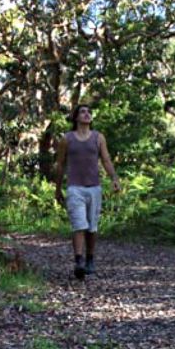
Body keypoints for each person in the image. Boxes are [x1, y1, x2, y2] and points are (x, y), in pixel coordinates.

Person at [54, 104, 121, 279]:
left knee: (91, 227)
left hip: (94, 188)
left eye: (89, 111)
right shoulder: (66, 139)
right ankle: (79, 261)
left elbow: (106, 160)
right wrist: (58, 188)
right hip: (74, 188)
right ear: (76, 117)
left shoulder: (98, 138)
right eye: (83, 111)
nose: (87, 114)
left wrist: (114, 178)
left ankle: (90, 259)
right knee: (79, 224)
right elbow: (60, 165)